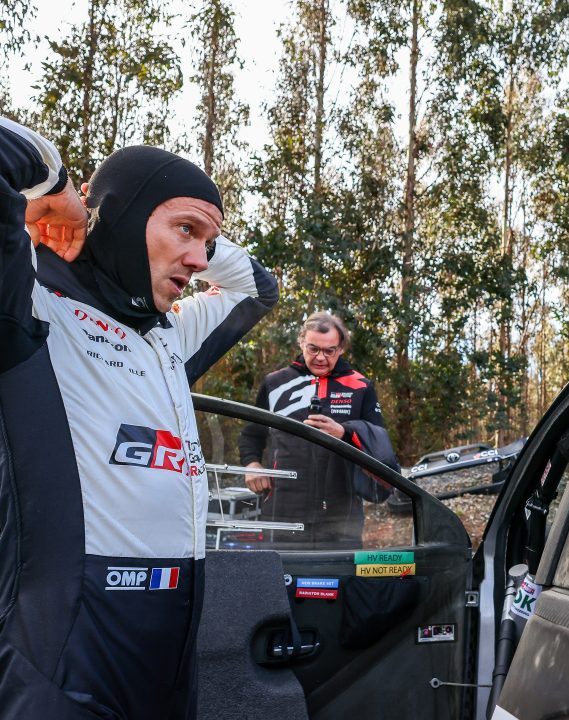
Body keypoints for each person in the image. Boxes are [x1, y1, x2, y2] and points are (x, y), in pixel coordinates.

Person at [0, 117, 278, 719]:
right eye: (185, 229)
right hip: (63, 668)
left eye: (208, 244)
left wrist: (196, 230)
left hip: (168, 663)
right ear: (119, 216)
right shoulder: (29, 300)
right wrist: (58, 189)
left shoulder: (167, 334)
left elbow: (258, 289)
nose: (199, 260)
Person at [238, 312, 396, 549]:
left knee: (339, 573)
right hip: (282, 510)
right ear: (301, 342)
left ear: (340, 349)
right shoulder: (274, 383)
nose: (321, 357)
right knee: (281, 572)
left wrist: (344, 433)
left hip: (342, 515)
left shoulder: (360, 386)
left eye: (329, 351)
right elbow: (252, 434)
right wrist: (251, 464)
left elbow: (379, 443)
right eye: (313, 349)